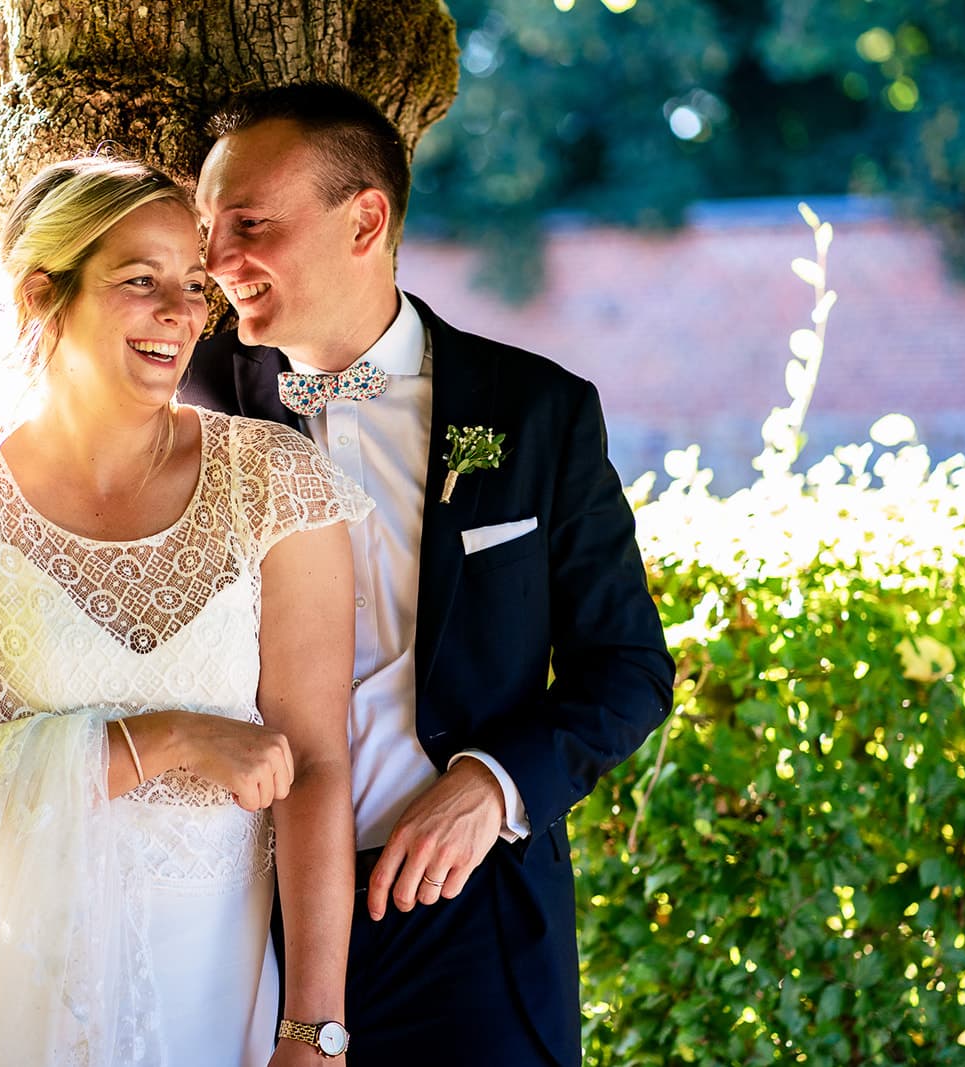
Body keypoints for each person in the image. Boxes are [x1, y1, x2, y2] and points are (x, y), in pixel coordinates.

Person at [0, 156, 371, 1066]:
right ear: (45, 294)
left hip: (214, 975)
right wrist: (170, 737)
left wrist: (313, 1031)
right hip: (12, 976)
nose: (183, 312)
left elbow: (316, 765)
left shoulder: (274, 482)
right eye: (141, 280)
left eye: (196, 286)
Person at [185, 84, 675, 1065]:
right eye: (206, 228)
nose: (213, 262)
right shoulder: (184, 411)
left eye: (248, 224)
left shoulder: (537, 411)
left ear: (364, 218)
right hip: (229, 921)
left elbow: (625, 667)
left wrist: (494, 784)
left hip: (473, 922)